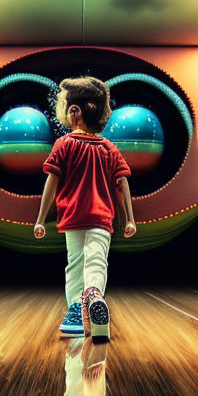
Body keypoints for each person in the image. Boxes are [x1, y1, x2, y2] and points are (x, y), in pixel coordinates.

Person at [33, 76, 136, 342]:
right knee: (97, 261)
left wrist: (41, 219)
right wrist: (129, 219)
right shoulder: (110, 148)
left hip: (73, 217)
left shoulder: (64, 145)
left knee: (75, 264)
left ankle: (76, 311)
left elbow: (51, 182)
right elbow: (122, 183)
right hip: (102, 219)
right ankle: (94, 296)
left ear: (75, 112)